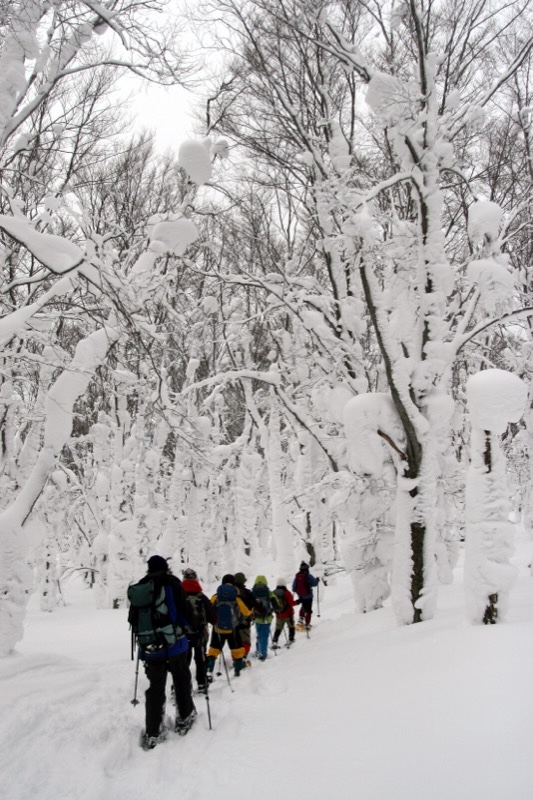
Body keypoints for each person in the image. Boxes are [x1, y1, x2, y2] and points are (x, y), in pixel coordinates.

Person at [128, 555, 196, 750]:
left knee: (155, 688)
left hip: (151, 649)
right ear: (166, 568)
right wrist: (194, 629)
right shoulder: (172, 584)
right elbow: (185, 610)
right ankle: (184, 717)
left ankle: (153, 730)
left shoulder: (141, 587)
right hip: (176, 644)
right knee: (181, 679)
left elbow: (132, 619)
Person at [205, 574, 253, 679]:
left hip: (217, 628)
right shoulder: (236, 597)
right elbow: (246, 612)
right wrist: (251, 612)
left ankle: (209, 671)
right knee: (237, 649)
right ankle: (238, 671)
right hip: (233, 628)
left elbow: (208, 608)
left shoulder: (216, 596)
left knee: (214, 649)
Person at [182, 567, 217, 693]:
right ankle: (202, 683)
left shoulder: (179, 596)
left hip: (182, 635)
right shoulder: (201, 597)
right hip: (199, 634)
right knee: (200, 658)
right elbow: (213, 617)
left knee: (184, 661)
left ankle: (182, 686)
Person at [251, 575, 278, 660]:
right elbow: (275, 602)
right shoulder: (268, 592)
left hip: (257, 618)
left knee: (259, 634)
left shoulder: (253, 593)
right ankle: (263, 653)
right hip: (267, 618)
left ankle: (258, 650)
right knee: (264, 636)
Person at [233, 571, 259, 659]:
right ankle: (243, 658)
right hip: (245, 621)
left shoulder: (230, 592)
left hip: (232, 622)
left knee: (235, 641)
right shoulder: (247, 593)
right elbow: (254, 605)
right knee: (245, 641)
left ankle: (236, 658)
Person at [292, 561, 319, 629]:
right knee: (308, 610)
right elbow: (315, 584)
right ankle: (307, 624)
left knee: (303, 606)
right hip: (309, 596)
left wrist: (298, 591)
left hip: (301, 595)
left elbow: (293, 587)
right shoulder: (308, 576)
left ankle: (301, 619)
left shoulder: (297, 576)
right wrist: (317, 580)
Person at [271, 577, 297, 647]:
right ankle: (291, 639)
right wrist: (298, 601)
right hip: (289, 614)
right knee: (291, 626)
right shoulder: (287, 593)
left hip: (279, 614)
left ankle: (275, 641)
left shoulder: (273, 593)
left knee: (278, 628)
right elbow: (291, 603)